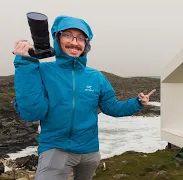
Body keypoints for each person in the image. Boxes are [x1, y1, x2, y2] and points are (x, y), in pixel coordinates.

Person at [12, 15, 156, 180]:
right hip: (56, 149)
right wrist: (25, 65)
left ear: (86, 44)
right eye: (67, 35)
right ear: (57, 38)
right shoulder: (43, 71)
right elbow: (32, 112)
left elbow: (112, 108)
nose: (74, 42)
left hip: (89, 152)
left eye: (80, 38)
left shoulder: (96, 77)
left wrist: (137, 103)